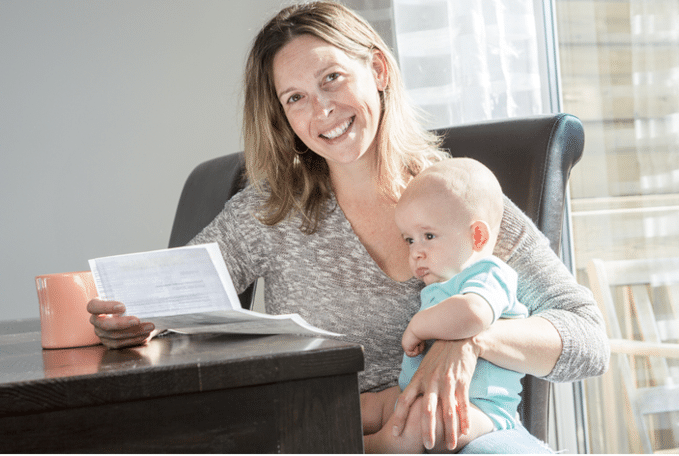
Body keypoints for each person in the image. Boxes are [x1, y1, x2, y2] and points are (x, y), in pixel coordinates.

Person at [87, 1, 610, 452]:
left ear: (378, 69)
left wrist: (471, 337)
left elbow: (588, 340)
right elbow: (171, 295)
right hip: (335, 437)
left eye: (331, 78)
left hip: (470, 433)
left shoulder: (458, 198)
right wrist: (139, 319)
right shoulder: (271, 211)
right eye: (295, 98)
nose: (322, 110)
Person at [362, 157, 528, 453]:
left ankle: (370, 447)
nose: (416, 252)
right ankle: (326, 431)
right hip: (418, 395)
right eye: (409, 240)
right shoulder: (439, 285)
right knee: (370, 404)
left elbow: (474, 313)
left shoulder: (489, 272)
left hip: (477, 410)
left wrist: (417, 327)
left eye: (428, 236)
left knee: (416, 425)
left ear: (477, 236)